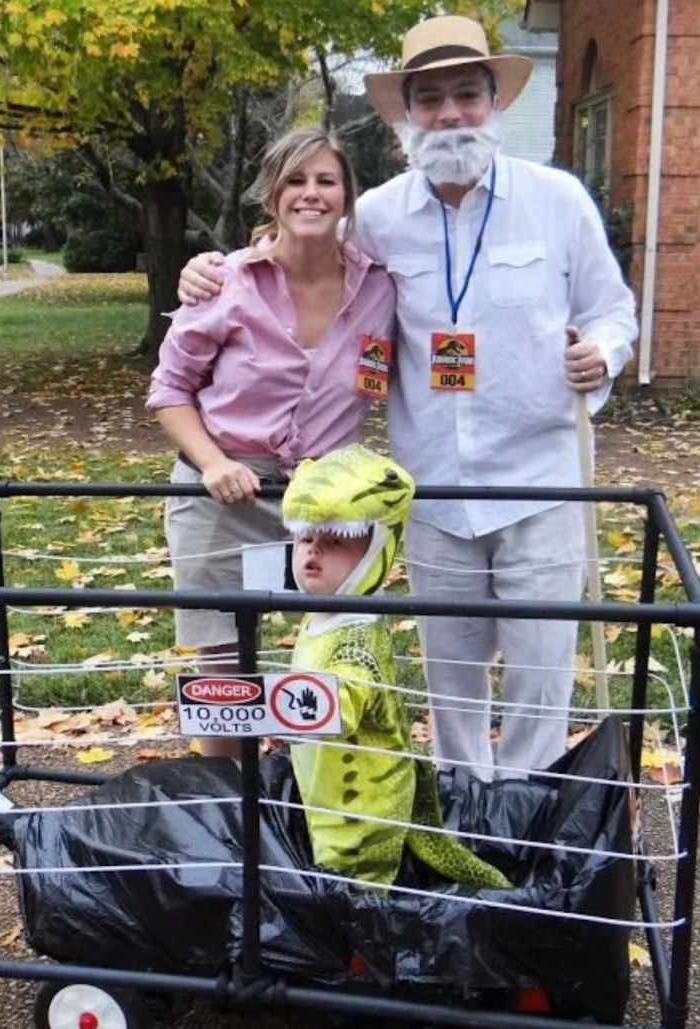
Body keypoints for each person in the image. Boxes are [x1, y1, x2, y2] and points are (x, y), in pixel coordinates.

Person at [177, 16, 638, 780]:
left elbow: (614, 309)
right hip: (435, 492)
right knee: (448, 676)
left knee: (540, 671)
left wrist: (605, 350)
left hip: (541, 482)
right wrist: (213, 269)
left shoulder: (558, 201)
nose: (450, 113)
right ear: (406, 115)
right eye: (430, 99)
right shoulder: (380, 215)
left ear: (494, 103)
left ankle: (525, 815)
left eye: (466, 94)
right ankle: (463, 797)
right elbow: (296, 244)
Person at [146, 127, 395, 757]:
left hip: (326, 509)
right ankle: (231, 816)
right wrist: (212, 464)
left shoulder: (379, 289)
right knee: (226, 670)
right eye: (296, 180)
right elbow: (169, 391)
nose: (311, 194)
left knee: (329, 657)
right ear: (273, 195)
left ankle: (309, 800)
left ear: (347, 196)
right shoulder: (225, 280)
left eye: (326, 180)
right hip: (226, 497)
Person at [282, 443, 509, 889]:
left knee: (355, 890)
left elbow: (333, 708)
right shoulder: (327, 616)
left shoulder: (352, 640)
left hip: (358, 807)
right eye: (306, 538)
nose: (313, 552)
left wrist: (261, 708)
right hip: (326, 791)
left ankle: (361, 957)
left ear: (374, 554)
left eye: (335, 542)